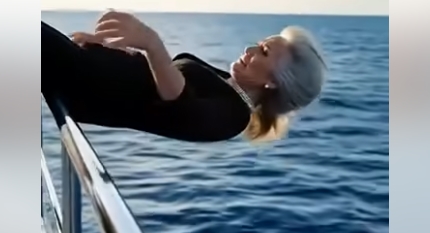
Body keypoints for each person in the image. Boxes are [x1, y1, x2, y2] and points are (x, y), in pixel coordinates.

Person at [42, 10, 327, 143]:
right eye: (259, 44)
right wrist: (109, 47)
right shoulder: (227, 83)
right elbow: (153, 77)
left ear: (273, 81)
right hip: (79, 66)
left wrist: (151, 41)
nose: (249, 50)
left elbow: (179, 102)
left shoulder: (233, 117)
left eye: (263, 52)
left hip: (80, 82)